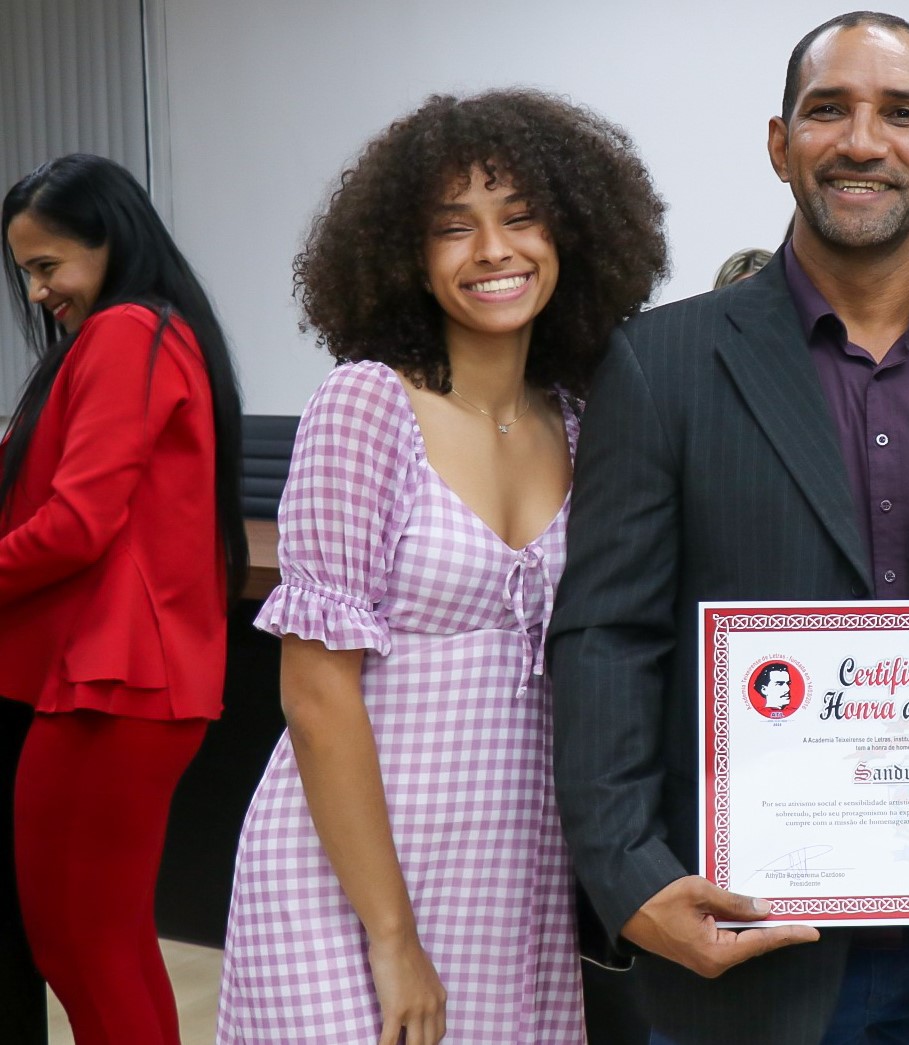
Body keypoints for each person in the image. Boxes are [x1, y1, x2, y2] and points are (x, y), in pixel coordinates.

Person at [549, 11, 909, 1045]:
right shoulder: (658, 366)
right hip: (741, 952)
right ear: (780, 143)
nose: (862, 140)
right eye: (828, 110)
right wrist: (631, 879)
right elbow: (608, 639)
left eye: (901, 113)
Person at [215, 89, 666, 1045]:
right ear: (406, 259)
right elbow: (315, 695)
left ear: (573, 233)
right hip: (347, 884)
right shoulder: (366, 406)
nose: (493, 250)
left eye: (520, 217)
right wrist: (392, 935)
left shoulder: (582, 423)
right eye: (452, 228)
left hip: (512, 881)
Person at [1, 153, 247, 1045]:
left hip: (116, 682)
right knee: (103, 940)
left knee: (79, 943)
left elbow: (75, 524)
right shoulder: (155, 332)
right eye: (25, 271)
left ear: (111, 242)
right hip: (130, 679)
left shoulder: (126, 332)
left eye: (46, 265)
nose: (36, 293)